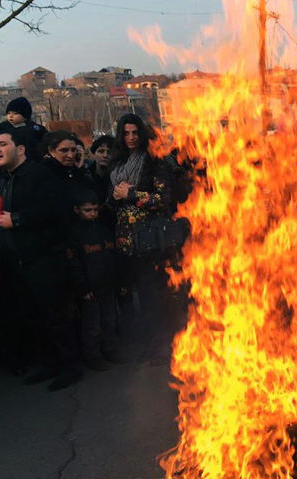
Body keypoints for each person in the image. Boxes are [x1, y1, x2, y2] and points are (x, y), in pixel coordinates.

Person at [0, 129, 81, 391]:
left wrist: (17, 220)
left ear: (20, 149)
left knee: (55, 317)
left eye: (2, 144)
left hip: (44, 261)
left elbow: (55, 210)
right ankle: (50, 363)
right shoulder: (5, 178)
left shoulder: (39, 175)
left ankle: (71, 367)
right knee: (34, 317)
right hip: (18, 263)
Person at [108, 113, 173, 364]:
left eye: (135, 132)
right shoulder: (116, 164)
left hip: (150, 241)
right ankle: (145, 342)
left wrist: (132, 195)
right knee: (133, 296)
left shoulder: (155, 162)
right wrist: (115, 199)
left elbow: (162, 199)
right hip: (124, 241)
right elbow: (113, 201)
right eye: (126, 133)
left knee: (152, 296)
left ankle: (160, 346)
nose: (131, 137)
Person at [68, 189, 124, 371]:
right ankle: (93, 356)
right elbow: (74, 264)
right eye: (87, 210)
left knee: (110, 321)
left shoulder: (105, 230)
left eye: (95, 209)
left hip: (107, 286)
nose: (92, 213)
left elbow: (114, 258)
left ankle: (110, 350)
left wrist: (119, 283)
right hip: (90, 290)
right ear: (77, 210)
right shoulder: (74, 234)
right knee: (92, 325)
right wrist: (82, 288)